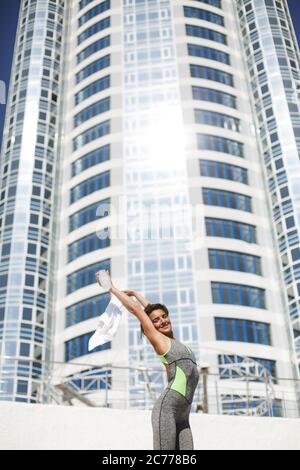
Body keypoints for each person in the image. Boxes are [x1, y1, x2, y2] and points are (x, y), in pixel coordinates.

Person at [96, 270, 199, 450]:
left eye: (164, 316)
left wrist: (136, 294)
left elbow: (150, 310)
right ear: (151, 327)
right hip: (167, 410)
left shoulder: (174, 340)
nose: (162, 321)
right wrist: (112, 288)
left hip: (184, 416)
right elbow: (138, 311)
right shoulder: (160, 340)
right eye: (156, 321)